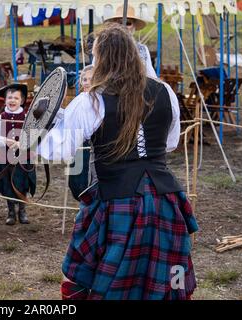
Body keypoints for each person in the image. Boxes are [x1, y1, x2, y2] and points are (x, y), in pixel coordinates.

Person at [39, 23, 198, 300]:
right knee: (164, 279)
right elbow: (170, 144)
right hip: (165, 199)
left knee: (79, 275)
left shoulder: (92, 101)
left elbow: (57, 151)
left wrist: (40, 127)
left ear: (100, 58)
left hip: (116, 201)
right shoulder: (165, 92)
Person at [0, 84, 36, 225]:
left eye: (16, 98)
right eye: (9, 97)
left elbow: (33, 136)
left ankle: (22, 211)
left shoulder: (27, 117)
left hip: (23, 157)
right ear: (5, 100)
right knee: (7, 184)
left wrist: (21, 143)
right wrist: (5, 141)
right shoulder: (0, 117)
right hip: (5, 157)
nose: (12, 100)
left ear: (21, 101)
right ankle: (11, 212)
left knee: (22, 183)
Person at [68, 65, 93, 201]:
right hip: (79, 147)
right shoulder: (78, 101)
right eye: (84, 79)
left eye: (91, 79)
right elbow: (68, 120)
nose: (87, 82)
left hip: (95, 149)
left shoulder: (103, 100)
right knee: (77, 182)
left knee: (91, 182)